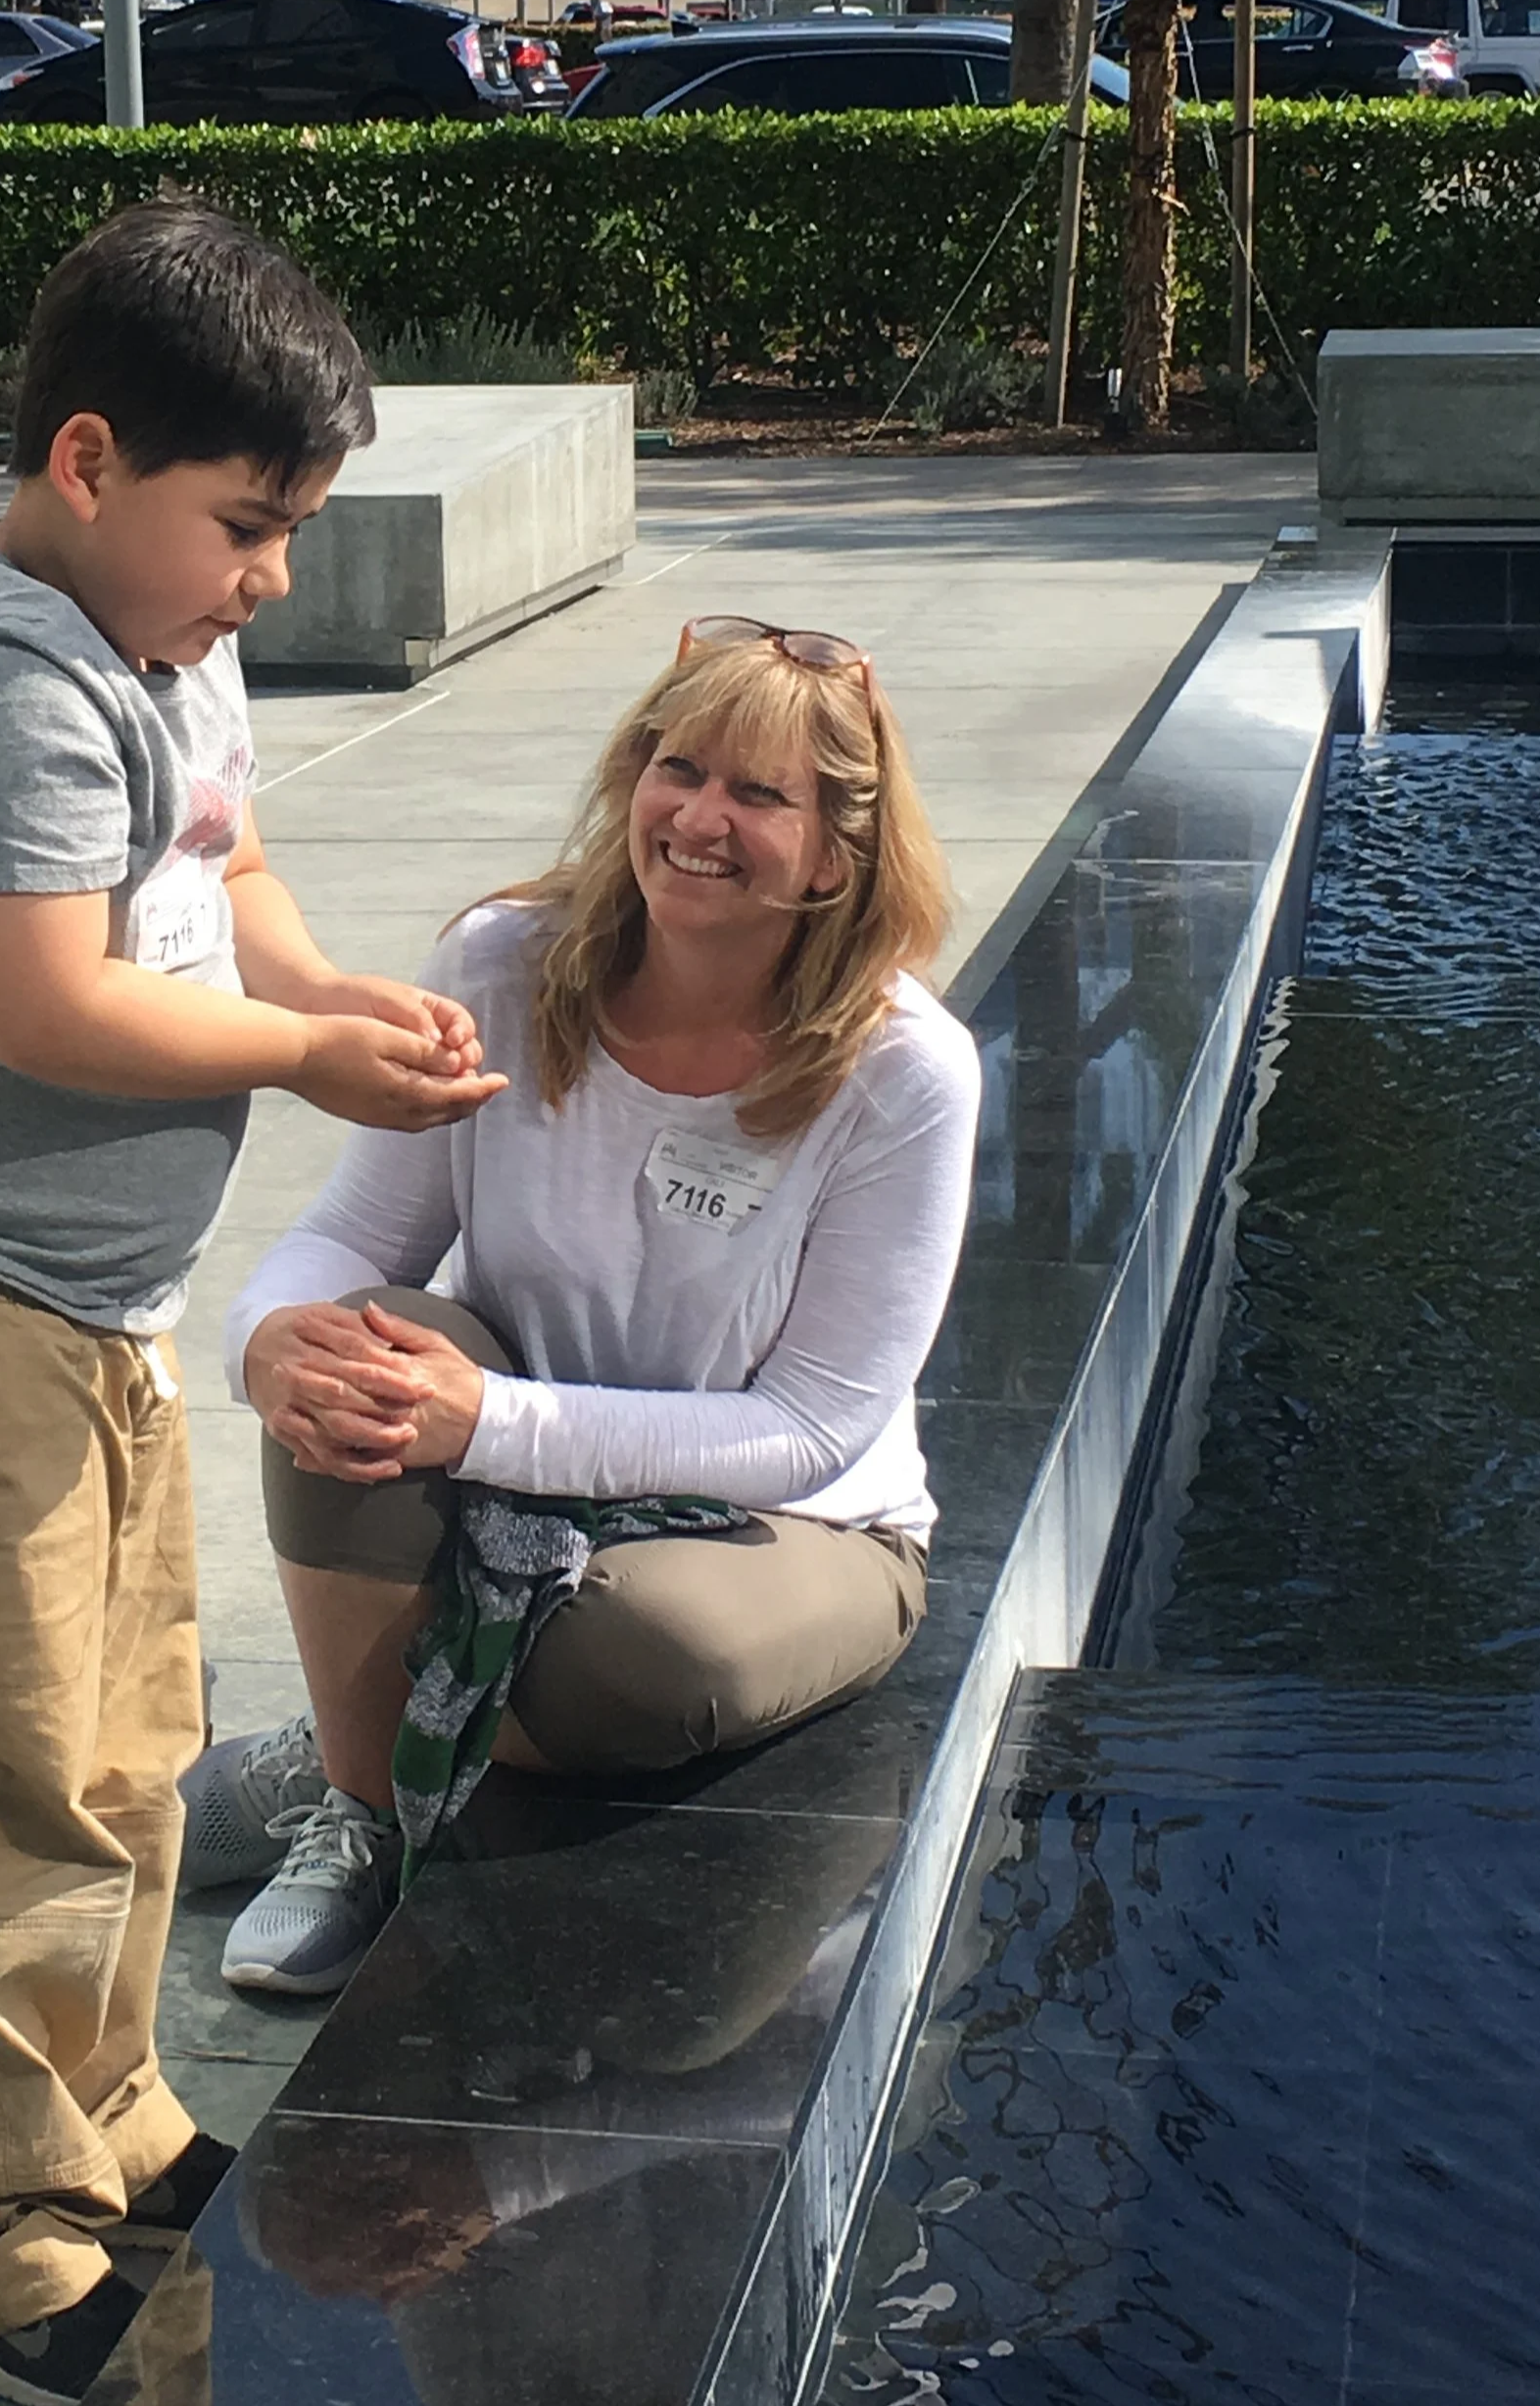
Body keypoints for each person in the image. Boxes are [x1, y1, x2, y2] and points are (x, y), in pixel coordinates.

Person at [0, 200, 505, 2406]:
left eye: (291, 531)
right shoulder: (3, 679)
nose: (271, 574)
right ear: (84, 463)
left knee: (119, 1759)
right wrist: (303, 1060)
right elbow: (44, 998)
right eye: (245, 525)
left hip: (78, 1321)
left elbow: (220, 863)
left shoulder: (160, 642)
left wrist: (329, 982)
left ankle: (105, 2125)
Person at [185, 614, 979, 1996]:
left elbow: (809, 1427)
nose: (700, 818)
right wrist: (269, 1345)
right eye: (680, 769)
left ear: (839, 851)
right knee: (356, 1351)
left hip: (784, 1520)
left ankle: (341, 1740)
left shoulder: (903, 1073)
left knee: (641, 1661)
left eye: (758, 794)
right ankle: (366, 1819)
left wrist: (484, 1420)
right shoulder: (504, 963)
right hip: (511, 1479)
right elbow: (352, 1233)